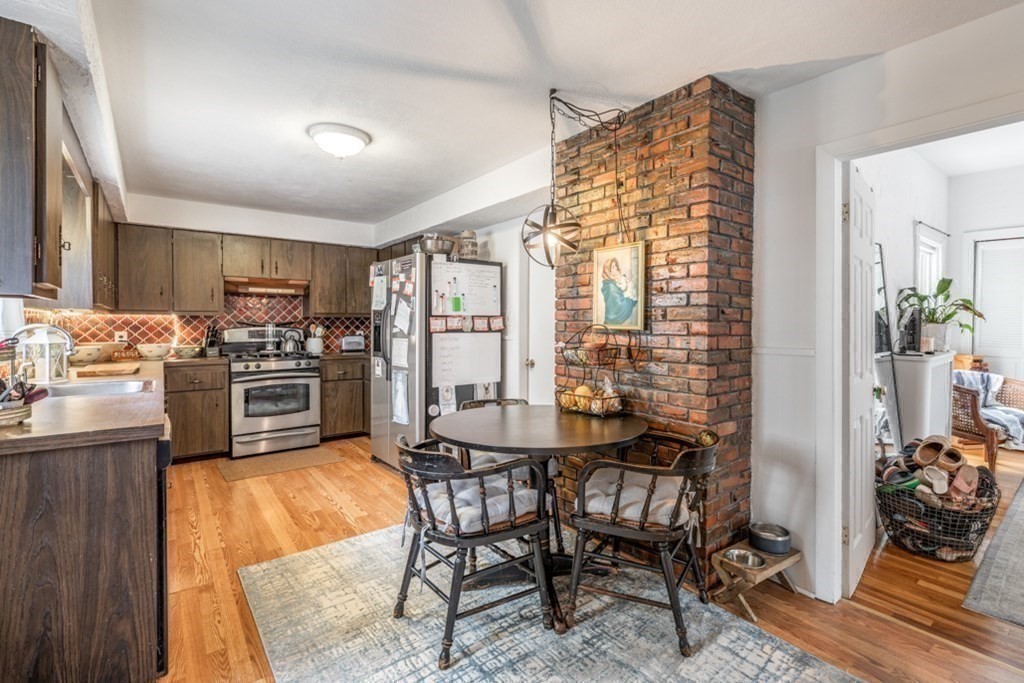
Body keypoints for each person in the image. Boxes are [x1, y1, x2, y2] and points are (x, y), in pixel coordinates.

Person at [599, 256, 638, 326]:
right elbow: (618, 307)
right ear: (608, 270)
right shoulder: (610, 286)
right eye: (613, 267)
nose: (616, 268)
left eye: (616, 266)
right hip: (612, 321)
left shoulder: (614, 281)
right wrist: (630, 301)